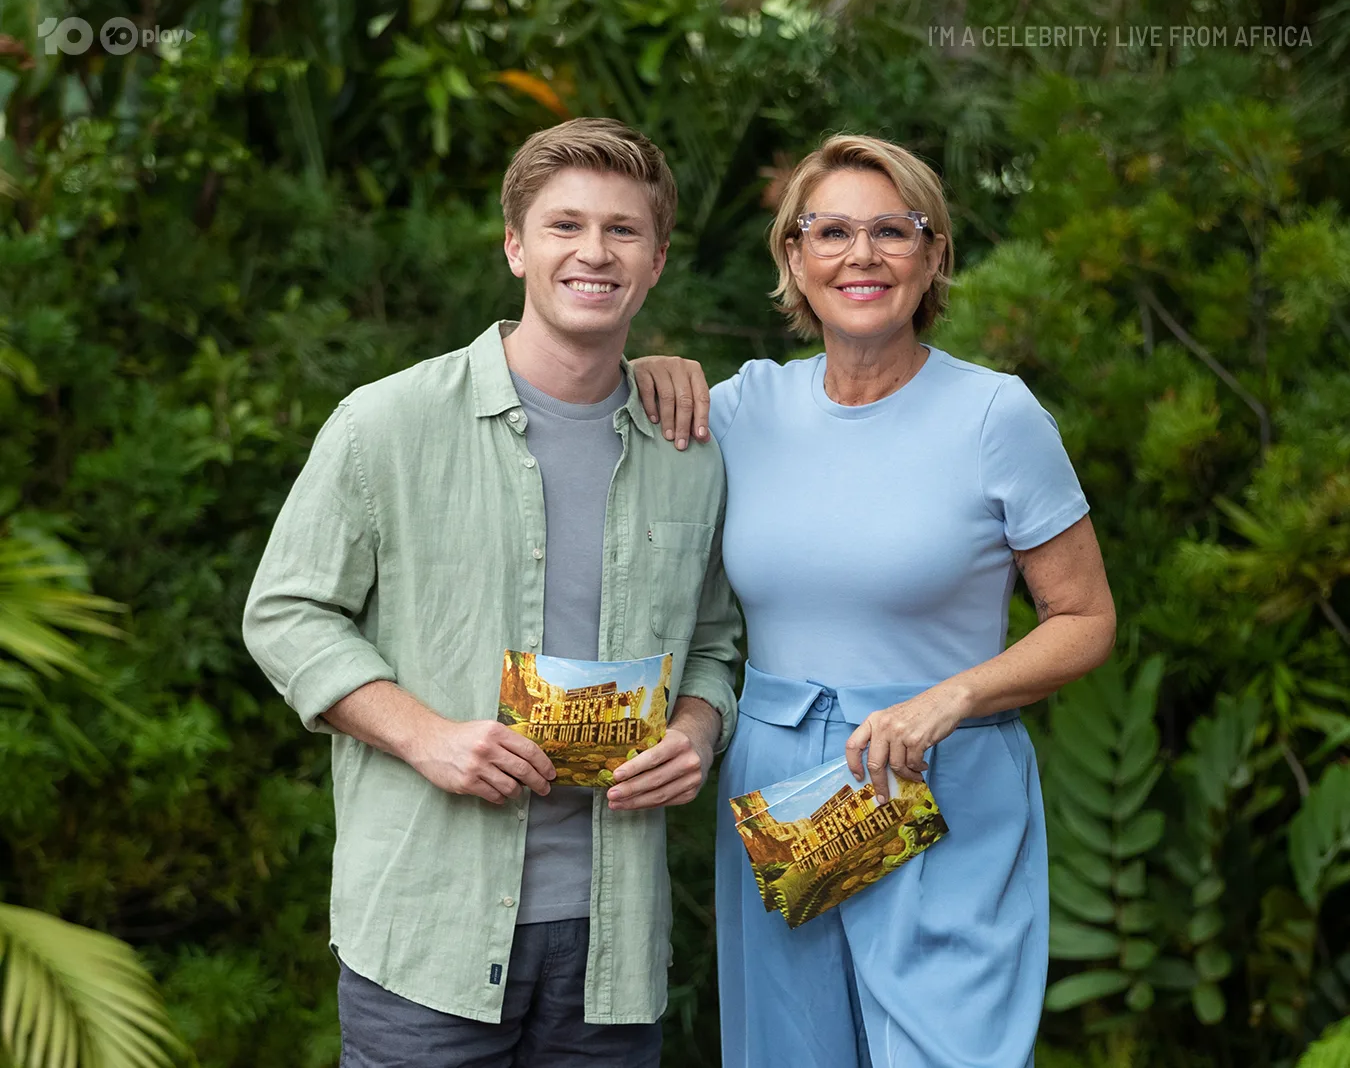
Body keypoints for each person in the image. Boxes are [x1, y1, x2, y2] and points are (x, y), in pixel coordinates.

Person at [242, 117, 741, 1068]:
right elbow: (284, 612)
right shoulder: (386, 423)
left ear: (658, 260)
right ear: (515, 245)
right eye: (564, 226)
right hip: (427, 931)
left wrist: (696, 732)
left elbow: (715, 642)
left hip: (612, 944)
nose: (593, 252)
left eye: (623, 231)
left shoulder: (693, 452)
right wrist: (426, 736)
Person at [631, 134, 1116, 1068]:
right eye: (833, 231)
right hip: (781, 791)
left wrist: (955, 696)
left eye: (894, 231)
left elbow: (1086, 620)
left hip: (935, 778)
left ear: (932, 256)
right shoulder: (738, 410)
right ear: (793, 256)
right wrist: (655, 368)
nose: (862, 255)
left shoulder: (995, 415)